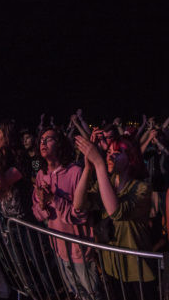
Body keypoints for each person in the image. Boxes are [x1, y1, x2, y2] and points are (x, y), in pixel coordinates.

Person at [74, 135, 155, 300]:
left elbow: (115, 213)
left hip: (136, 269)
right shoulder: (106, 183)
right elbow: (78, 205)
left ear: (131, 159)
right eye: (108, 152)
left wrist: (99, 165)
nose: (110, 156)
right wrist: (89, 168)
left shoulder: (142, 188)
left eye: (117, 153)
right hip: (111, 266)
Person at [32, 127, 102, 300]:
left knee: (92, 295)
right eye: (41, 139)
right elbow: (37, 213)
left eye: (49, 139)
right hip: (59, 250)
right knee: (76, 293)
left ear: (61, 144)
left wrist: (52, 199)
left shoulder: (75, 172)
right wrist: (42, 205)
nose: (43, 142)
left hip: (80, 251)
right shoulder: (41, 174)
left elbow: (79, 215)